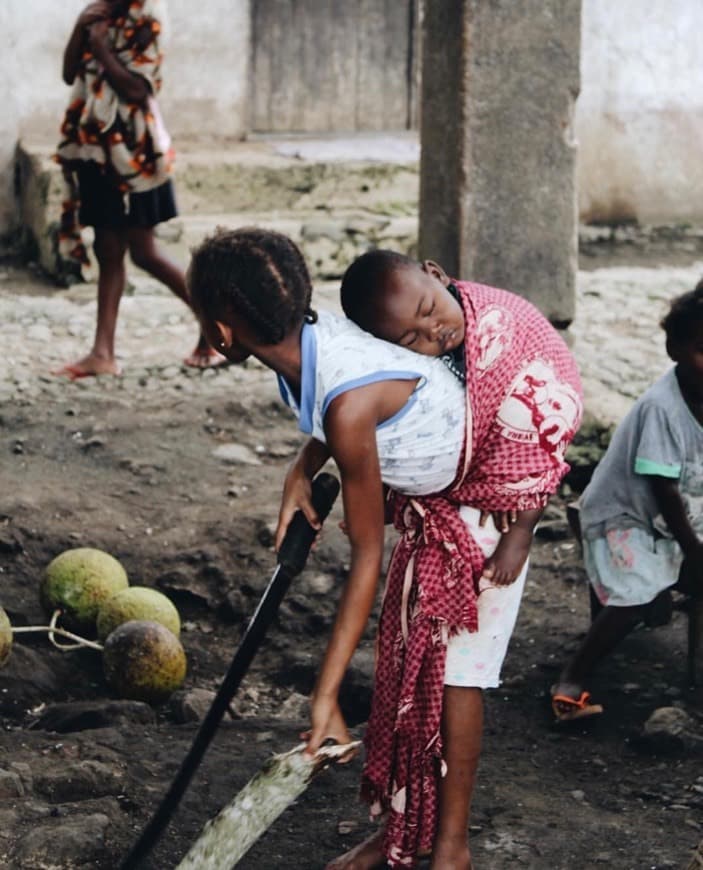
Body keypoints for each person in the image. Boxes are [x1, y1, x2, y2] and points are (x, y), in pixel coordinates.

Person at [187, 229, 581, 870]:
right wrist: (301, 466)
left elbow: (365, 554)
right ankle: (404, 834)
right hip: (439, 503)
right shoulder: (323, 343)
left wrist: (325, 695)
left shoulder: (346, 399)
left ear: (223, 333)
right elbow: (348, 400)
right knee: (406, 669)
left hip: (486, 507)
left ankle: (451, 847)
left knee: (456, 679)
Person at [551, 282, 703, 722]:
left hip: (680, 511)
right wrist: (692, 554)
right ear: (674, 348)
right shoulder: (663, 408)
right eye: (701, 348)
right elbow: (663, 490)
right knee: (637, 595)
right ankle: (573, 674)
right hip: (626, 515)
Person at [53, 0, 222, 380]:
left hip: (133, 153)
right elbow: (69, 74)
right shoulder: (99, 12)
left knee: (144, 253)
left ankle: (215, 328)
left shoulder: (150, 17)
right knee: (107, 248)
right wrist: (80, 28)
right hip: (93, 148)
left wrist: (100, 48)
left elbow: (138, 89)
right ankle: (102, 353)